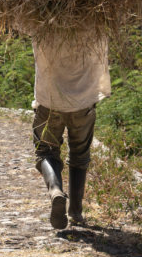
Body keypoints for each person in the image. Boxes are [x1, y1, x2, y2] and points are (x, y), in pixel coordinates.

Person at [31, 29, 111, 229]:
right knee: (80, 155)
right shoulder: (96, 22)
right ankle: (75, 211)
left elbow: (15, 19)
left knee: (46, 152)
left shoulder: (39, 21)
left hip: (49, 102)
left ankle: (56, 191)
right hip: (83, 104)